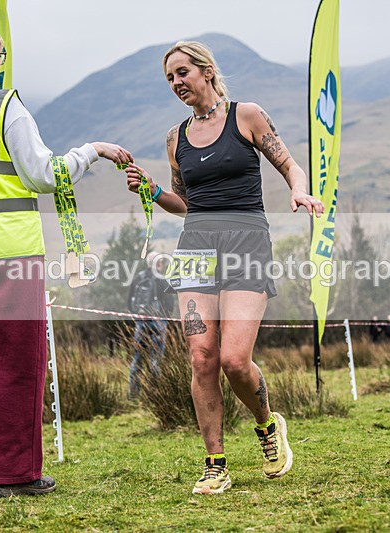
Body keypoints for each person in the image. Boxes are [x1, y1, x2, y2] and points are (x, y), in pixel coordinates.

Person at [0, 24, 132, 497]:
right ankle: (14, 475)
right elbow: (45, 173)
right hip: (8, 250)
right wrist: (92, 151)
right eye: (0, 58)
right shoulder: (3, 105)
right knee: (15, 360)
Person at [123, 40, 324, 494]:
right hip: (195, 248)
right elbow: (185, 203)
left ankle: (267, 425)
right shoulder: (176, 138)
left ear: (206, 71)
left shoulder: (246, 116)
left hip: (246, 243)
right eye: (170, 78)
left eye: (182, 73)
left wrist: (298, 190)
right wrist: (153, 190)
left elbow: (291, 165)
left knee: (235, 360)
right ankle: (215, 463)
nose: (176, 83)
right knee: (201, 358)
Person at [128, 251, 174, 399]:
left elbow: (130, 302)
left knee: (137, 358)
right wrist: (165, 319)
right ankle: (155, 394)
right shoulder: (162, 280)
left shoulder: (138, 278)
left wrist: (138, 319)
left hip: (141, 323)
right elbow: (169, 304)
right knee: (156, 359)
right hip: (158, 322)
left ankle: (133, 393)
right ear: (159, 264)